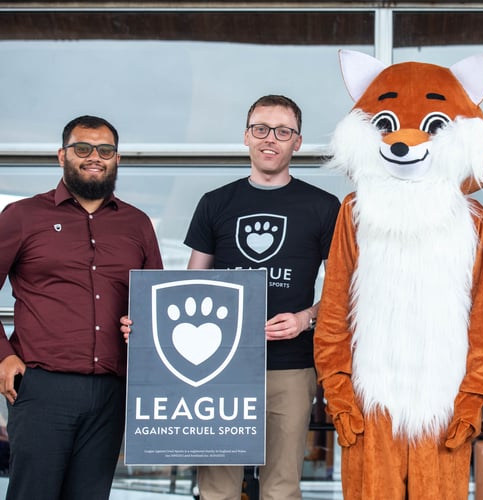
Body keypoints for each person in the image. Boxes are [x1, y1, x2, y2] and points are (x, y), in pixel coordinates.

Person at [166, 94, 339, 500]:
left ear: (297, 142)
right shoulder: (215, 204)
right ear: (246, 136)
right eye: (261, 129)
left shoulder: (323, 207)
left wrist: (305, 318)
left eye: (283, 131)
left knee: (281, 489)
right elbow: (193, 285)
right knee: (217, 490)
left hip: (291, 367)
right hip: (220, 368)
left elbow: (341, 291)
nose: (270, 139)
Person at [0, 115, 163, 499]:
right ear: (62, 156)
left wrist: (141, 327)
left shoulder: (138, 224)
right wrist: (3, 356)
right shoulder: (23, 217)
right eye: (83, 148)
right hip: (41, 388)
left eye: (105, 150)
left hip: (111, 392)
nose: (95, 157)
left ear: (117, 159)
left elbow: (156, 303)